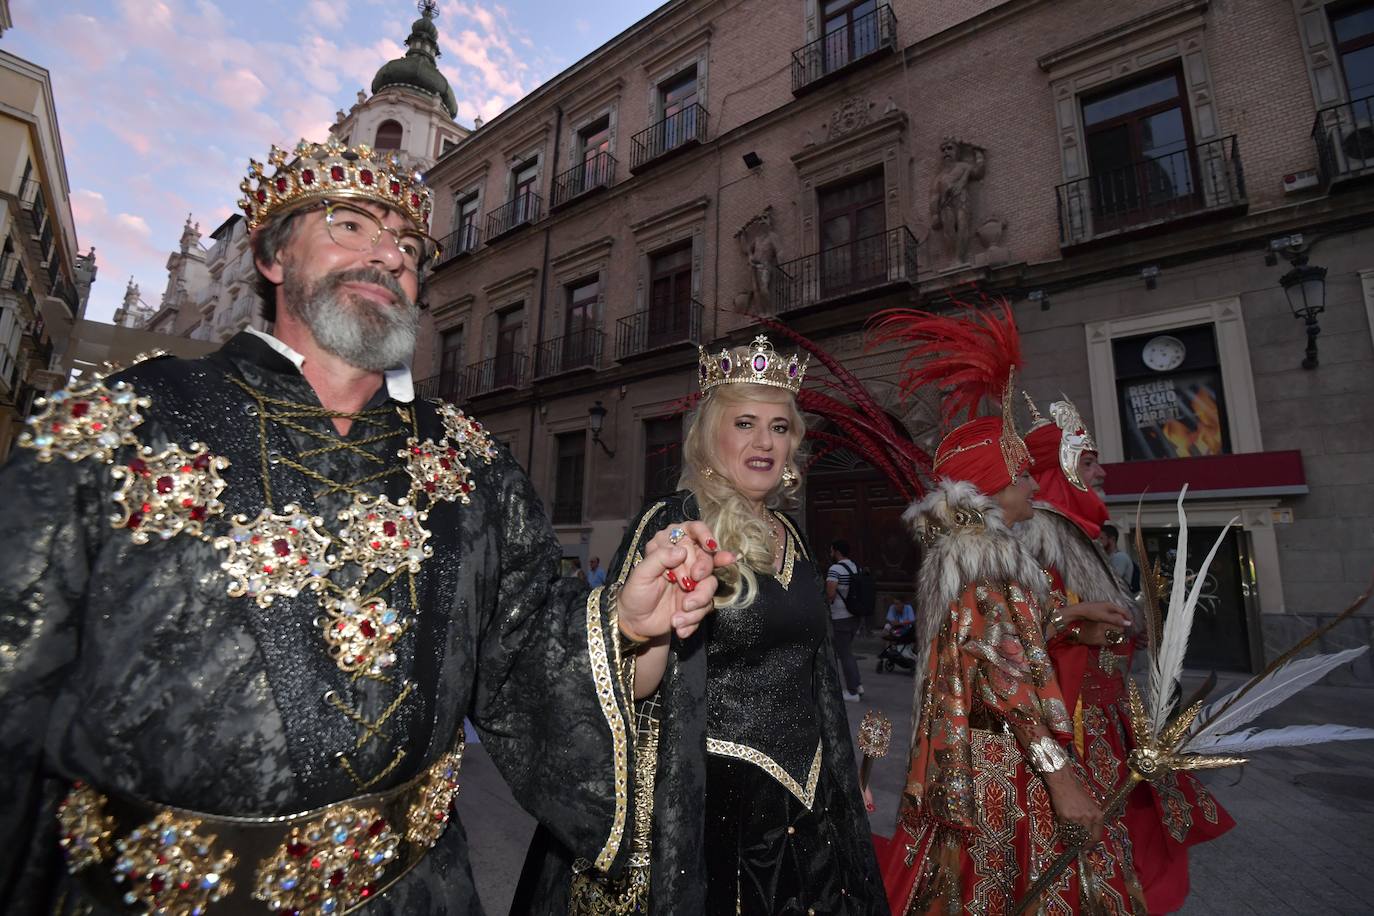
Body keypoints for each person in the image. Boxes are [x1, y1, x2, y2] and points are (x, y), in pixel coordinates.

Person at [0, 139, 733, 915]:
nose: (390, 254)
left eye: (410, 247)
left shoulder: (469, 459)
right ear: (275, 256)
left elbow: (524, 662)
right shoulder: (116, 426)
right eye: (350, 224)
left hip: (417, 894)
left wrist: (624, 624)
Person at [513, 335, 885, 914]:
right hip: (706, 810)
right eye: (744, 423)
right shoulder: (675, 524)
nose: (764, 442)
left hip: (804, 811)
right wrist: (653, 631)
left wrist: (838, 778)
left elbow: (812, 682)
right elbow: (631, 683)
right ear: (711, 436)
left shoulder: (796, 539)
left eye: (780, 427)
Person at [884, 398, 1147, 915]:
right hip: (1003, 762)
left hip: (985, 752)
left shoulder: (975, 551)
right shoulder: (986, 561)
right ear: (995, 487)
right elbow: (1004, 682)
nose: (1033, 486)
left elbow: (993, 643)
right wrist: (1062, 777)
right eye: (1023, 476)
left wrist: (1069, 617)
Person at [1020, 396, 1233, 915]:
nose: (1103, 471)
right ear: (1060, 468)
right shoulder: (1034, 543)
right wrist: (1073, 627)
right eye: (1088, 460)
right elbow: (1006, 641)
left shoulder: (1085, 539)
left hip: (1109, 726)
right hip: (1064, 732)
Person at [826, 539, 865, 701]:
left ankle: (852, 691)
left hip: (840, 616)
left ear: (836, 551)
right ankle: (858, 685)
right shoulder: (856, 567)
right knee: (848, 651)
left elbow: (830, 593)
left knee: (845, 654)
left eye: (831, 549)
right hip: (855, 616)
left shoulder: (835, 569)